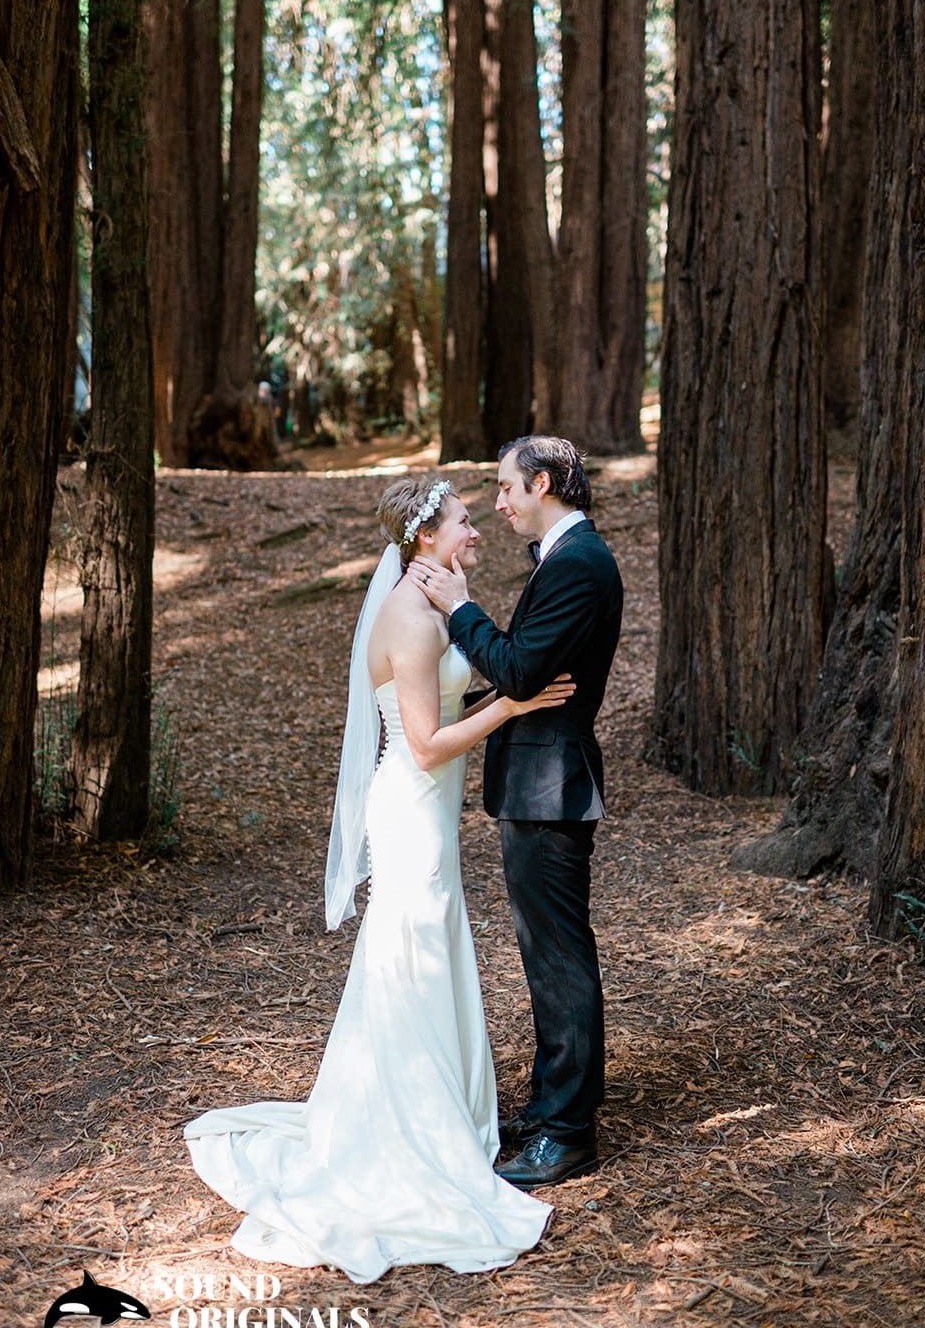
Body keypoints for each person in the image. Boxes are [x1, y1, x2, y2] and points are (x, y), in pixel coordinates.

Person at [184, 476, 573, 1284]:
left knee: (424, 945)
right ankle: (410, 1128)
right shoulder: (405, 614)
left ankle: (446, 1113)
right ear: (426, 536)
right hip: (411, 809)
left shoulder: (431, 597)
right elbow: (427, 744)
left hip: (426, 812)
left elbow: (464, 670)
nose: (477, 527)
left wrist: (489, 647)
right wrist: (515, 707)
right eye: (466, 519)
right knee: (413, 952)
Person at [413, 435, 623, 1189]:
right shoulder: (566, 559)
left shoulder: (580, 564)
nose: (498, 504)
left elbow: (519, 669)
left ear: (542, 484)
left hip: (550, 785)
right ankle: (550, 1106)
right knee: (546, 957)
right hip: (538, 782)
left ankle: (568, 1133)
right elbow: (521, 675)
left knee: (560, 960)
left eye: (506, 489)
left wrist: (464, 610)